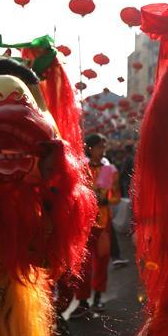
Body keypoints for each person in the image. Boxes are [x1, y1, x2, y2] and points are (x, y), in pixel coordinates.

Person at [71, 134, 121, 317]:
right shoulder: (80, 168)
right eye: (99, 147)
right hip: (83, 221)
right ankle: (82, 300)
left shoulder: (110, 170)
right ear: (90, 148)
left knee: (102, 260)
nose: (102, 151)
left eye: (103, 147)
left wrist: (106, 200)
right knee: (83, 263)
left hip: (103, 221)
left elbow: (116, 196)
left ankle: (98, 296)